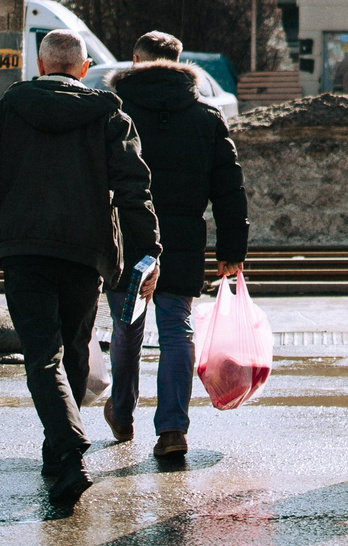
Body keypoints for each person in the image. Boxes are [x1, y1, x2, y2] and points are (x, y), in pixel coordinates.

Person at [0, 29, 159, 511]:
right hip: (86, 253)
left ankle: (65, 448)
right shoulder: (110, 116)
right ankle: (60, 450)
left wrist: (6, 216)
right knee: (75, 348)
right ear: (83, 69)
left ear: (40, 67)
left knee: (42, 353)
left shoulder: (5, 112)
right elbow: (134, 189)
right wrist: (149, 253)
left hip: (25, 254)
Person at [107, 30, 250, 464]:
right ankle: (171, 428)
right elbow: (229, 190)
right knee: (175, 329)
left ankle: (123, 411)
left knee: (126, 325)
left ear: (136, 60)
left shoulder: (115, 115)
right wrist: (233, 248)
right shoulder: (205, 118)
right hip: (184, 239)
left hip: (128, 237)